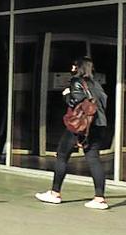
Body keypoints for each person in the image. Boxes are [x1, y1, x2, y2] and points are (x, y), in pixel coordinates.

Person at [35, 56, 110, 210]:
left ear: (79, 68)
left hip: (80, 126)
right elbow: (103, 102)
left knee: (62, 156)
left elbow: (74, 101)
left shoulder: (77, 81)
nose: (72, 68)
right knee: (94, 159)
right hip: (98, 125)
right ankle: (99, 198)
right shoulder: (96, 84)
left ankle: (55, 193)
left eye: (74, 65)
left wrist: (66, 94)